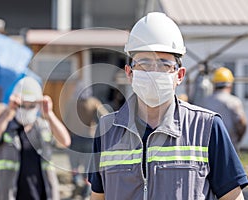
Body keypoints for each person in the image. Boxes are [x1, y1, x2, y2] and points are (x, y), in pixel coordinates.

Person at [88, 12, 248, 200]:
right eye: (144, 63)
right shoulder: (107, 130)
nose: (153, 72)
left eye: (164, 65)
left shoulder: (207, 127)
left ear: (179, 75)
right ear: (129, 73)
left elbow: (232, 197)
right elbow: (98, 196)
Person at [0, 76, 71, 200]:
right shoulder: (6, 126)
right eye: (23, 105)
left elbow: (65, 141)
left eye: (32, 106)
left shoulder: (43, 127)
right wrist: (8, 111)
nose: (27, 109)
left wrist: (49, 114)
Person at [64, 81, 108, 199]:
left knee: (75, 165)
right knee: (88, 167)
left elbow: (66, 120)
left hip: (74, 139)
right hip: (89, 139)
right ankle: (86, 189)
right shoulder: (93, 102)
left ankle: (77, 185)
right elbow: (105, 116)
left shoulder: (71, 103)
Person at [202, 67, 247, 151]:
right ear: (230, 84)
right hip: (230, 146)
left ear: (214, 84)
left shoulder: (205, 101)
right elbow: (242, 124)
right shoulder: (234, 101)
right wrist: (238, 139)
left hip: (209, 147)